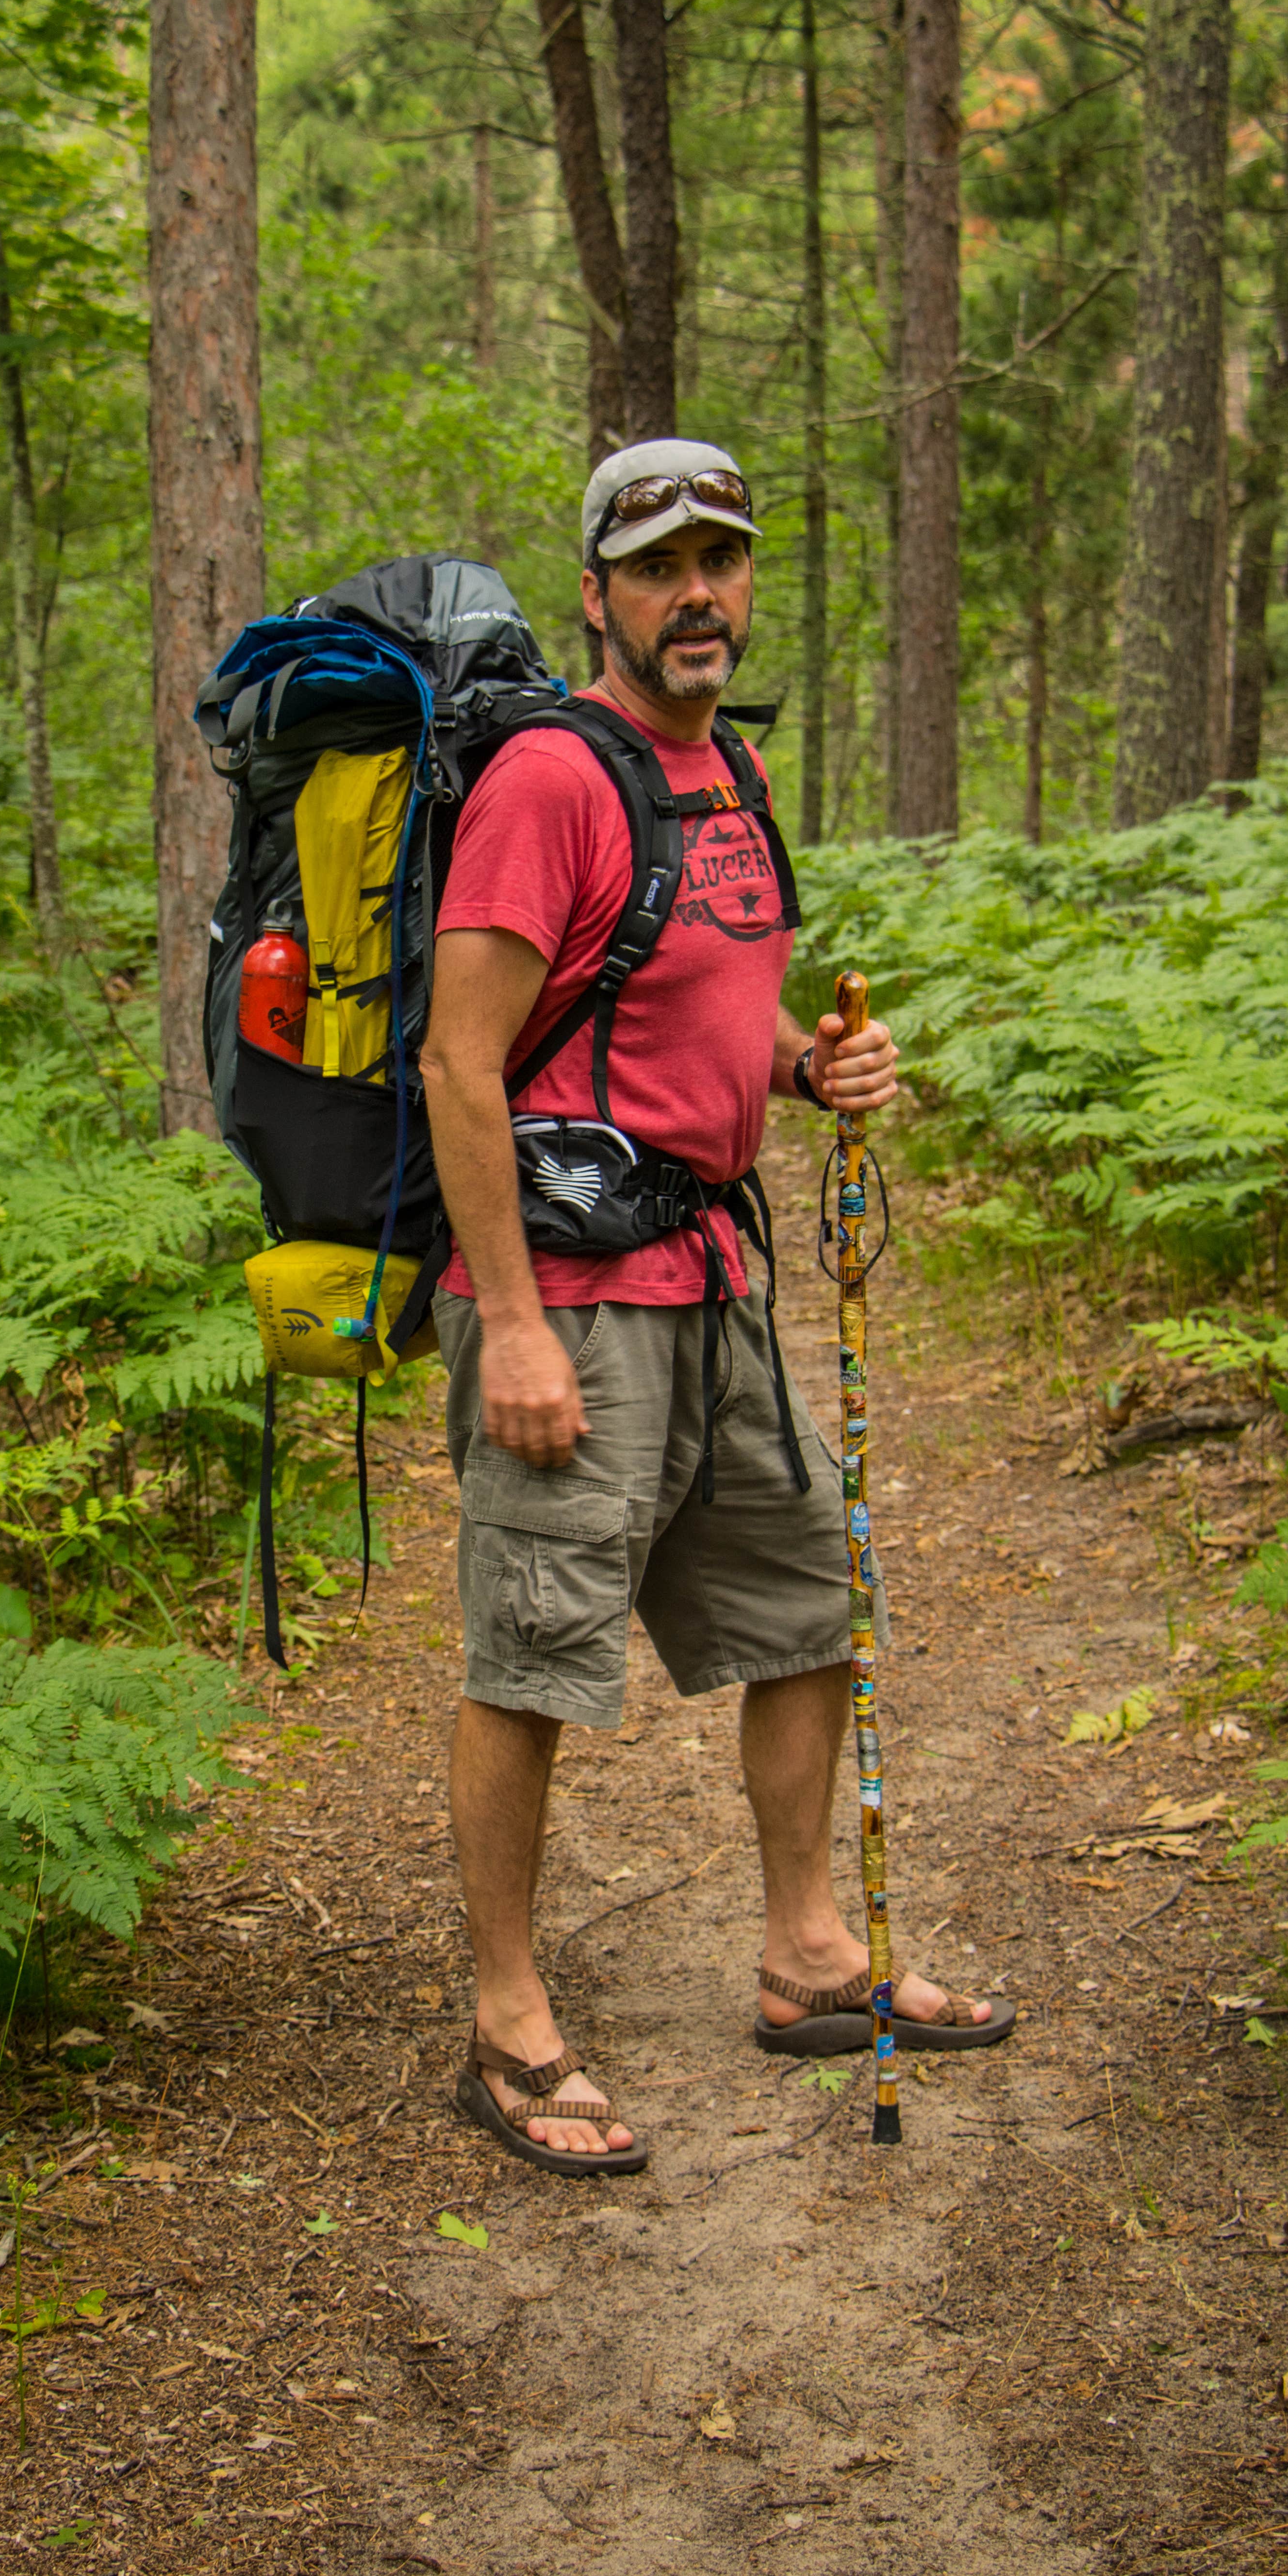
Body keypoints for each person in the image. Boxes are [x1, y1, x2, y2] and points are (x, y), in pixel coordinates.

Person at [419, 438, 1013, 2178]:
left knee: (810, 1594)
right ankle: (508, 2023)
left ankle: (807, 1952)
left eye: (725, 559)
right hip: (569, 1291)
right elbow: (463, 1065)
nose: (701, 593)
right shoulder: (549, 780)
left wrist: (814, 1072)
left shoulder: (731, 774)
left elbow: (689, 1009)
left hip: (715, 1277)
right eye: (662, 563)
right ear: (597, 592)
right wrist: (515, 1325)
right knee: (534, 1651)